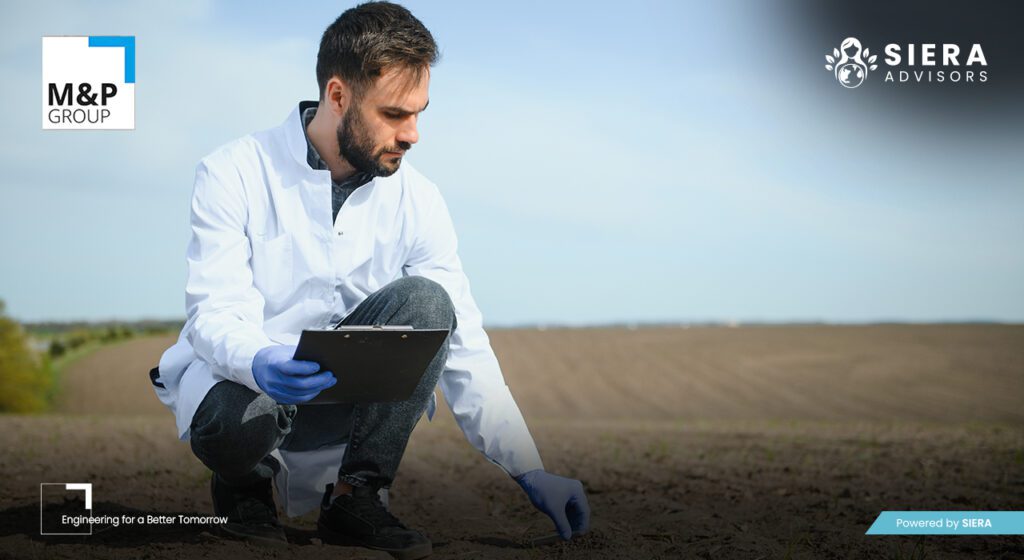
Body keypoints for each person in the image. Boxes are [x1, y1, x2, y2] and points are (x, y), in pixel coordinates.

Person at [151, 2, 590, 558]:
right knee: (237, 421)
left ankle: (357, 496)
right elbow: (213, 311)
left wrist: (530, 469)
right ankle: (243, 486)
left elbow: (464, 344)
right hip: (245, 395)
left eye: (419, 113)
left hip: (342, 405)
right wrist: (259, 361)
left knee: (430, 303)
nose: (413, 135)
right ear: (338, 95)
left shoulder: (419, 199)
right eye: (394, 114)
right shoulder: (232, 171)